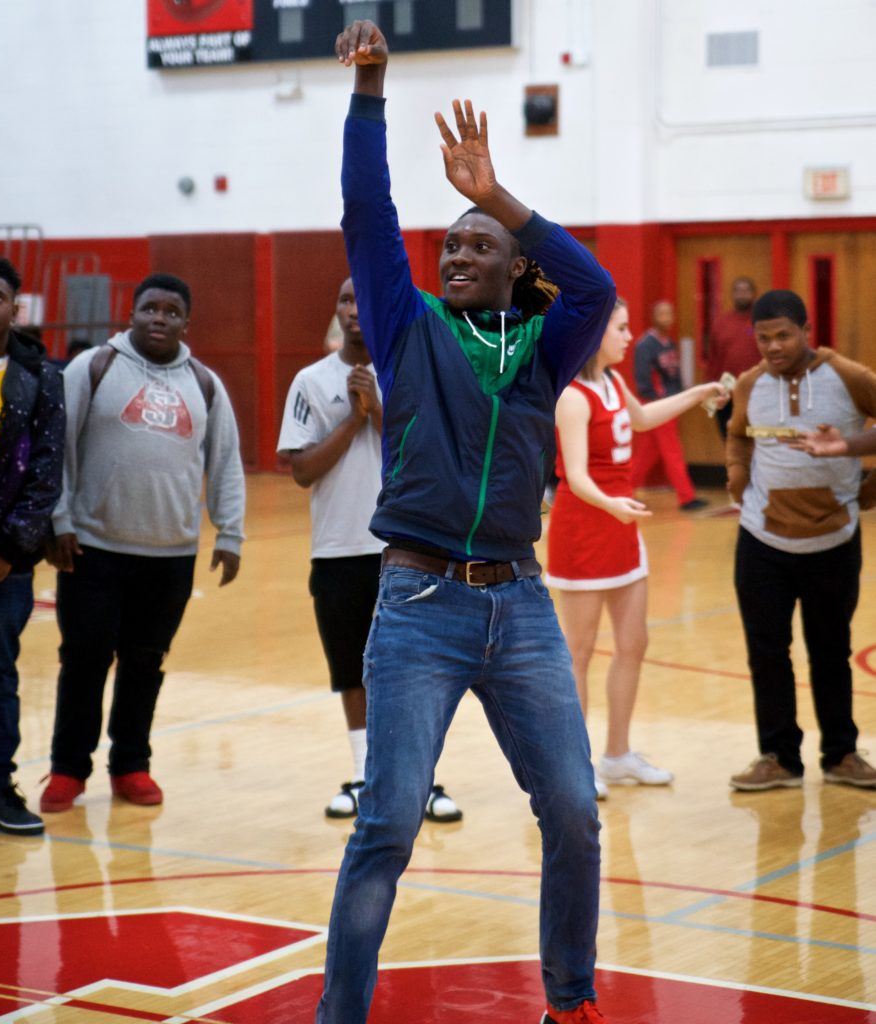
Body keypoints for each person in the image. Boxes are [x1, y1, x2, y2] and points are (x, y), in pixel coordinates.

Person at [316, 20, 617, 1024]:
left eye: (475, 245)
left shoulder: (543, 348)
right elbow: (367, 209)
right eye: (449, 241)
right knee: (389, 822)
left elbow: (595, 285)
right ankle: (339, 1015)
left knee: (574, 812)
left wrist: (495, 194)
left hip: (518, 605)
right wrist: (369, 91)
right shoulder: (408, 332)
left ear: (507, 268)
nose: (455, 251)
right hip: (418, 602)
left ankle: (568, 1000)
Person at [39, 273, 246, 812]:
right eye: (149, 308)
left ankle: (130, 764)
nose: (159, 318)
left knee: (145, 661)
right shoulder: (93, 367)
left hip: (171, 552)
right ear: (130, 314)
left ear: (185, 322)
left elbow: (225, 459)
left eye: (171, 311)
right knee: (83, 659)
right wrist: (59, 520)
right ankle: (68, 768)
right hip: (92, 546)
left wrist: (230, 531)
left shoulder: (204, 383)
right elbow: (57, 447)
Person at [277, 276, 461, 822]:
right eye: (345, 299)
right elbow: (303, 470)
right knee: (351, 669)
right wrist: (353, 418)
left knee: (413, 671)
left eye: (364, 298)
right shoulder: (310, 381)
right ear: (336, 311)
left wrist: (378, 409)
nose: (355, 309)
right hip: (336, 548)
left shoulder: (410, 372)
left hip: (406, 548)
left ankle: (421, 780)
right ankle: (364, 777)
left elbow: (428, 453)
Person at [547, 299, 727, 799]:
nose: (630, 337)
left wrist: (697, 393)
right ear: (592, 334)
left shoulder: (613, 383)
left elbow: (644, 418)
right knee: (578, 653)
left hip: (622, 523)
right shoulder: (573, 396)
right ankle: (572, 766)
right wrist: (612, 504)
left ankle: (619, 755)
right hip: (585, 526)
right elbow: (575, 476)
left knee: (634, 643)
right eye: (621, 328)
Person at [727, 289, 876, 791]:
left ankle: (840, 754)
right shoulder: (749, 384)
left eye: (783, 335)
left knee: (830, 649)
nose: (772, 346)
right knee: (766, 652)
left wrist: (852, 451)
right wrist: (736, 476)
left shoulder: (850, 377)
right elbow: (738, 436)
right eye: (763, 338)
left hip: (833, 540)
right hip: (761, 542)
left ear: (807, 331)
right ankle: (779, 757)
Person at [0, 254, 65, 836]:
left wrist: (10, 548)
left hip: (5, 564)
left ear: (14, 307)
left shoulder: (40, 376)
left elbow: (47, 470)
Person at [631, 300, 706, 510]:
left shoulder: (669, 343)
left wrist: (682, 398)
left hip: (670, 404)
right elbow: (643, 380)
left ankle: (625, 489)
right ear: (654, 317)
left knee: (648, 452)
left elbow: (676, 375)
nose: (667, 318)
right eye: (662, 314)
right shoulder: (646, 345)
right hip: (657, 406)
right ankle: (687, 497)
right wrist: (657, 402)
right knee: (672, 451)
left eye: (670, 314)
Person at [706, 276, 757, 438]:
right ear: (732, 294)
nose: (742, 294)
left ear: (753, 293)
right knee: (729, 437)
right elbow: (713, 359)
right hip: (726, 392)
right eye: (738, 291)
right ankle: (733, 464)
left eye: (746, 290)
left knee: (755, 438)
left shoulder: (761, 322)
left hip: (755, 391)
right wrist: (711, 391)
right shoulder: (721, 323)